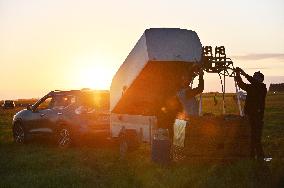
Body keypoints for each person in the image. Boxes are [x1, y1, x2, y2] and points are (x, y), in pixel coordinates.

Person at [235, 67, 267, 160]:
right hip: (249, 115)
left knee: (256, 137)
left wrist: (244, 74)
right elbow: (241, 84)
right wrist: (238, 75)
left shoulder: (262, 87)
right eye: (254, 77)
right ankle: (252, 156)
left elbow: (254, 82)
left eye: (256, 77)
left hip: (257, 117)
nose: (254, 78)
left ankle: (260, 157)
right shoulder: (252, 87)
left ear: (261, 79)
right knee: (250, 136)